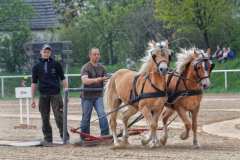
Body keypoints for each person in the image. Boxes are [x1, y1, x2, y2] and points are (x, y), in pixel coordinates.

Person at [31, 44, 70, 143]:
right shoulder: (36, 66)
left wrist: (67, 93)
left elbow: (63, 79)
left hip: (55, 94)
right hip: (42, 94)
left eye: (48, 52)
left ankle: (65, 138)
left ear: (50, 53)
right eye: (44, 52)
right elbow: (34, 83)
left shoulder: (56, 64)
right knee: (44, 117)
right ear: (41, 52)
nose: (46, 53)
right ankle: (48, 139)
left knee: (59, 116)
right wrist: (32, 98)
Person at [80, 47, 110, 141]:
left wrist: (109, 84)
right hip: (87, 96)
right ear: (90, 56)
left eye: (98, 54)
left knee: (102, 114)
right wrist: (96, 80)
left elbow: (106, 82)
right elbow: (85, 80)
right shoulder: (85, 67)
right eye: (94, 54)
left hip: (98, 96)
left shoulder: (103, 68)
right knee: (86, 117)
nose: (97, 56)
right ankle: (84, 137)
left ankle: (105, 135)